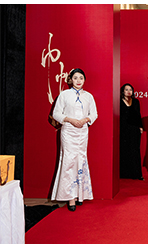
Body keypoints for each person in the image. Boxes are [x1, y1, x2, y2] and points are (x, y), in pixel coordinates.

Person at [51, 68, 98, 211]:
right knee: (68, 161)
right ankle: (70, 197)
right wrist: (70, 120)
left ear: (84, 80)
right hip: (68, 131)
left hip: (82, 132)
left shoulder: (88, 96)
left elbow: (94, 114)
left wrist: (85, 120)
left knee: (81, 160)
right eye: (75, 78)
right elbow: (56, 113)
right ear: (70, 79)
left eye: (81, 78)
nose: (78, 81)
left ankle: (80, 195)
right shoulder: (64, 95)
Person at [120, 83, 143, 180]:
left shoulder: (136, 101)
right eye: (126, 89)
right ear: (123, 91)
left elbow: (138, 115)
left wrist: (140, 126)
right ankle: (123, 174)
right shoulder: (119, 101)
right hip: (123, 129)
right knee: (124, 150)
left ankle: (136, 174)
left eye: (130, 89)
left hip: (134, 129)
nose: (128, 91)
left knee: (135, 150)